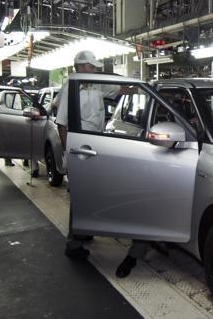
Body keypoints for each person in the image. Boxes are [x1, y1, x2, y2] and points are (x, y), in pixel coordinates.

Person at [56, 50, 151, 269]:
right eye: (91, 67)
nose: (94, 70)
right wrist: (70, 154)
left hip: (95, 147)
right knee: (81, 197)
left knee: (93, 193)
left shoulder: (97, 85)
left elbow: (124, 90)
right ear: (80, 67)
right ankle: (73, 244)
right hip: (79, 149)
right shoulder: (70, 89)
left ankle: (86, 231)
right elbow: (62, 124)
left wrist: (146, 88)